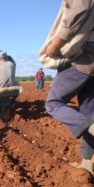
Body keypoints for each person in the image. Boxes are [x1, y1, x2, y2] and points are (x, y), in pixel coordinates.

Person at [42, 0, 94, 173]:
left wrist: (58, 41)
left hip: (83, 52)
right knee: (89, 111)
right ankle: (88, 163)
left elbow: (81, 6)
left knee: (54, 103)